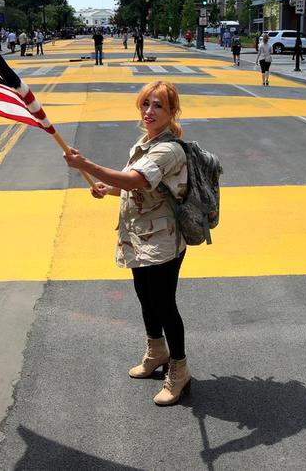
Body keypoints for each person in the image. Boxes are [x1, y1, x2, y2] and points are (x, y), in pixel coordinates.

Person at [62, 81, 192, 406]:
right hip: (138, 237)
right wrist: (108, 188)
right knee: (146, 299)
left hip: (162, 241)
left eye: (158, 106)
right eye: (145, 104)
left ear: (172, 111)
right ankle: (156, 351)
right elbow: (135, 187)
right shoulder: (144, 143)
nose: (149, 111)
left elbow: (137, 180)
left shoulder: (169, 149)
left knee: (164, 305)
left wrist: (87, 165)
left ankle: (179, 370)